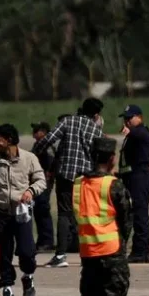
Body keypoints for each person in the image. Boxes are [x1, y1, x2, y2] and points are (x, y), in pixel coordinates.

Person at [75, 137, 139, 296]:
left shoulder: (78, 184)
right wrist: (122, 241)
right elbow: (126, 219)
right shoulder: (113, 184)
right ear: (112, 158)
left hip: (88, 251)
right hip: (111, 250)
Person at [0, 124, 46, 296]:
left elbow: (41, 180)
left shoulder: (29, 158)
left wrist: (31, 191)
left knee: (26, 251)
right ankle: (7, 288)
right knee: (5, 254)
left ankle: (28, 276)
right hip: (3, 212)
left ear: (9, 140)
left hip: (22, 212)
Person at [34, 98, 104, 268]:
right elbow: (100, 155)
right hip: (85, 178)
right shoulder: (96, 130)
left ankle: (61, 255)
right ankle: (90, 253)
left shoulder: (68, 121)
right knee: (87, 214)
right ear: (96, 114)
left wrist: (36, 152)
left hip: (65, 175)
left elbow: (48, 139)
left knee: (64, 214)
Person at [117, 105, 149, 264]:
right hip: (133, 177)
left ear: (139, 117)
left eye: (129, 118)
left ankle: (141, 252)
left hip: (140, 178)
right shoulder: (135, 134)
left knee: (140, 215)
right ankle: (140, 251)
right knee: (133, 214)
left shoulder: (140, 131)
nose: (126, 122)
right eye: (125, 118)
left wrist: (130, 132)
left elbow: (140, 135)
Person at [30, 122, 56, 251]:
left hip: (44, 182)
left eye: (37, 130)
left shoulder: (47, 146)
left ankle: (47, 241)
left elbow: (51, 162)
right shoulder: (38, 145)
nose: (34, 133)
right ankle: (42, 240)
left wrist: (48, 175)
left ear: (44, 132)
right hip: (37, 182)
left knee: (42, 209)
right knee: (38, 210)